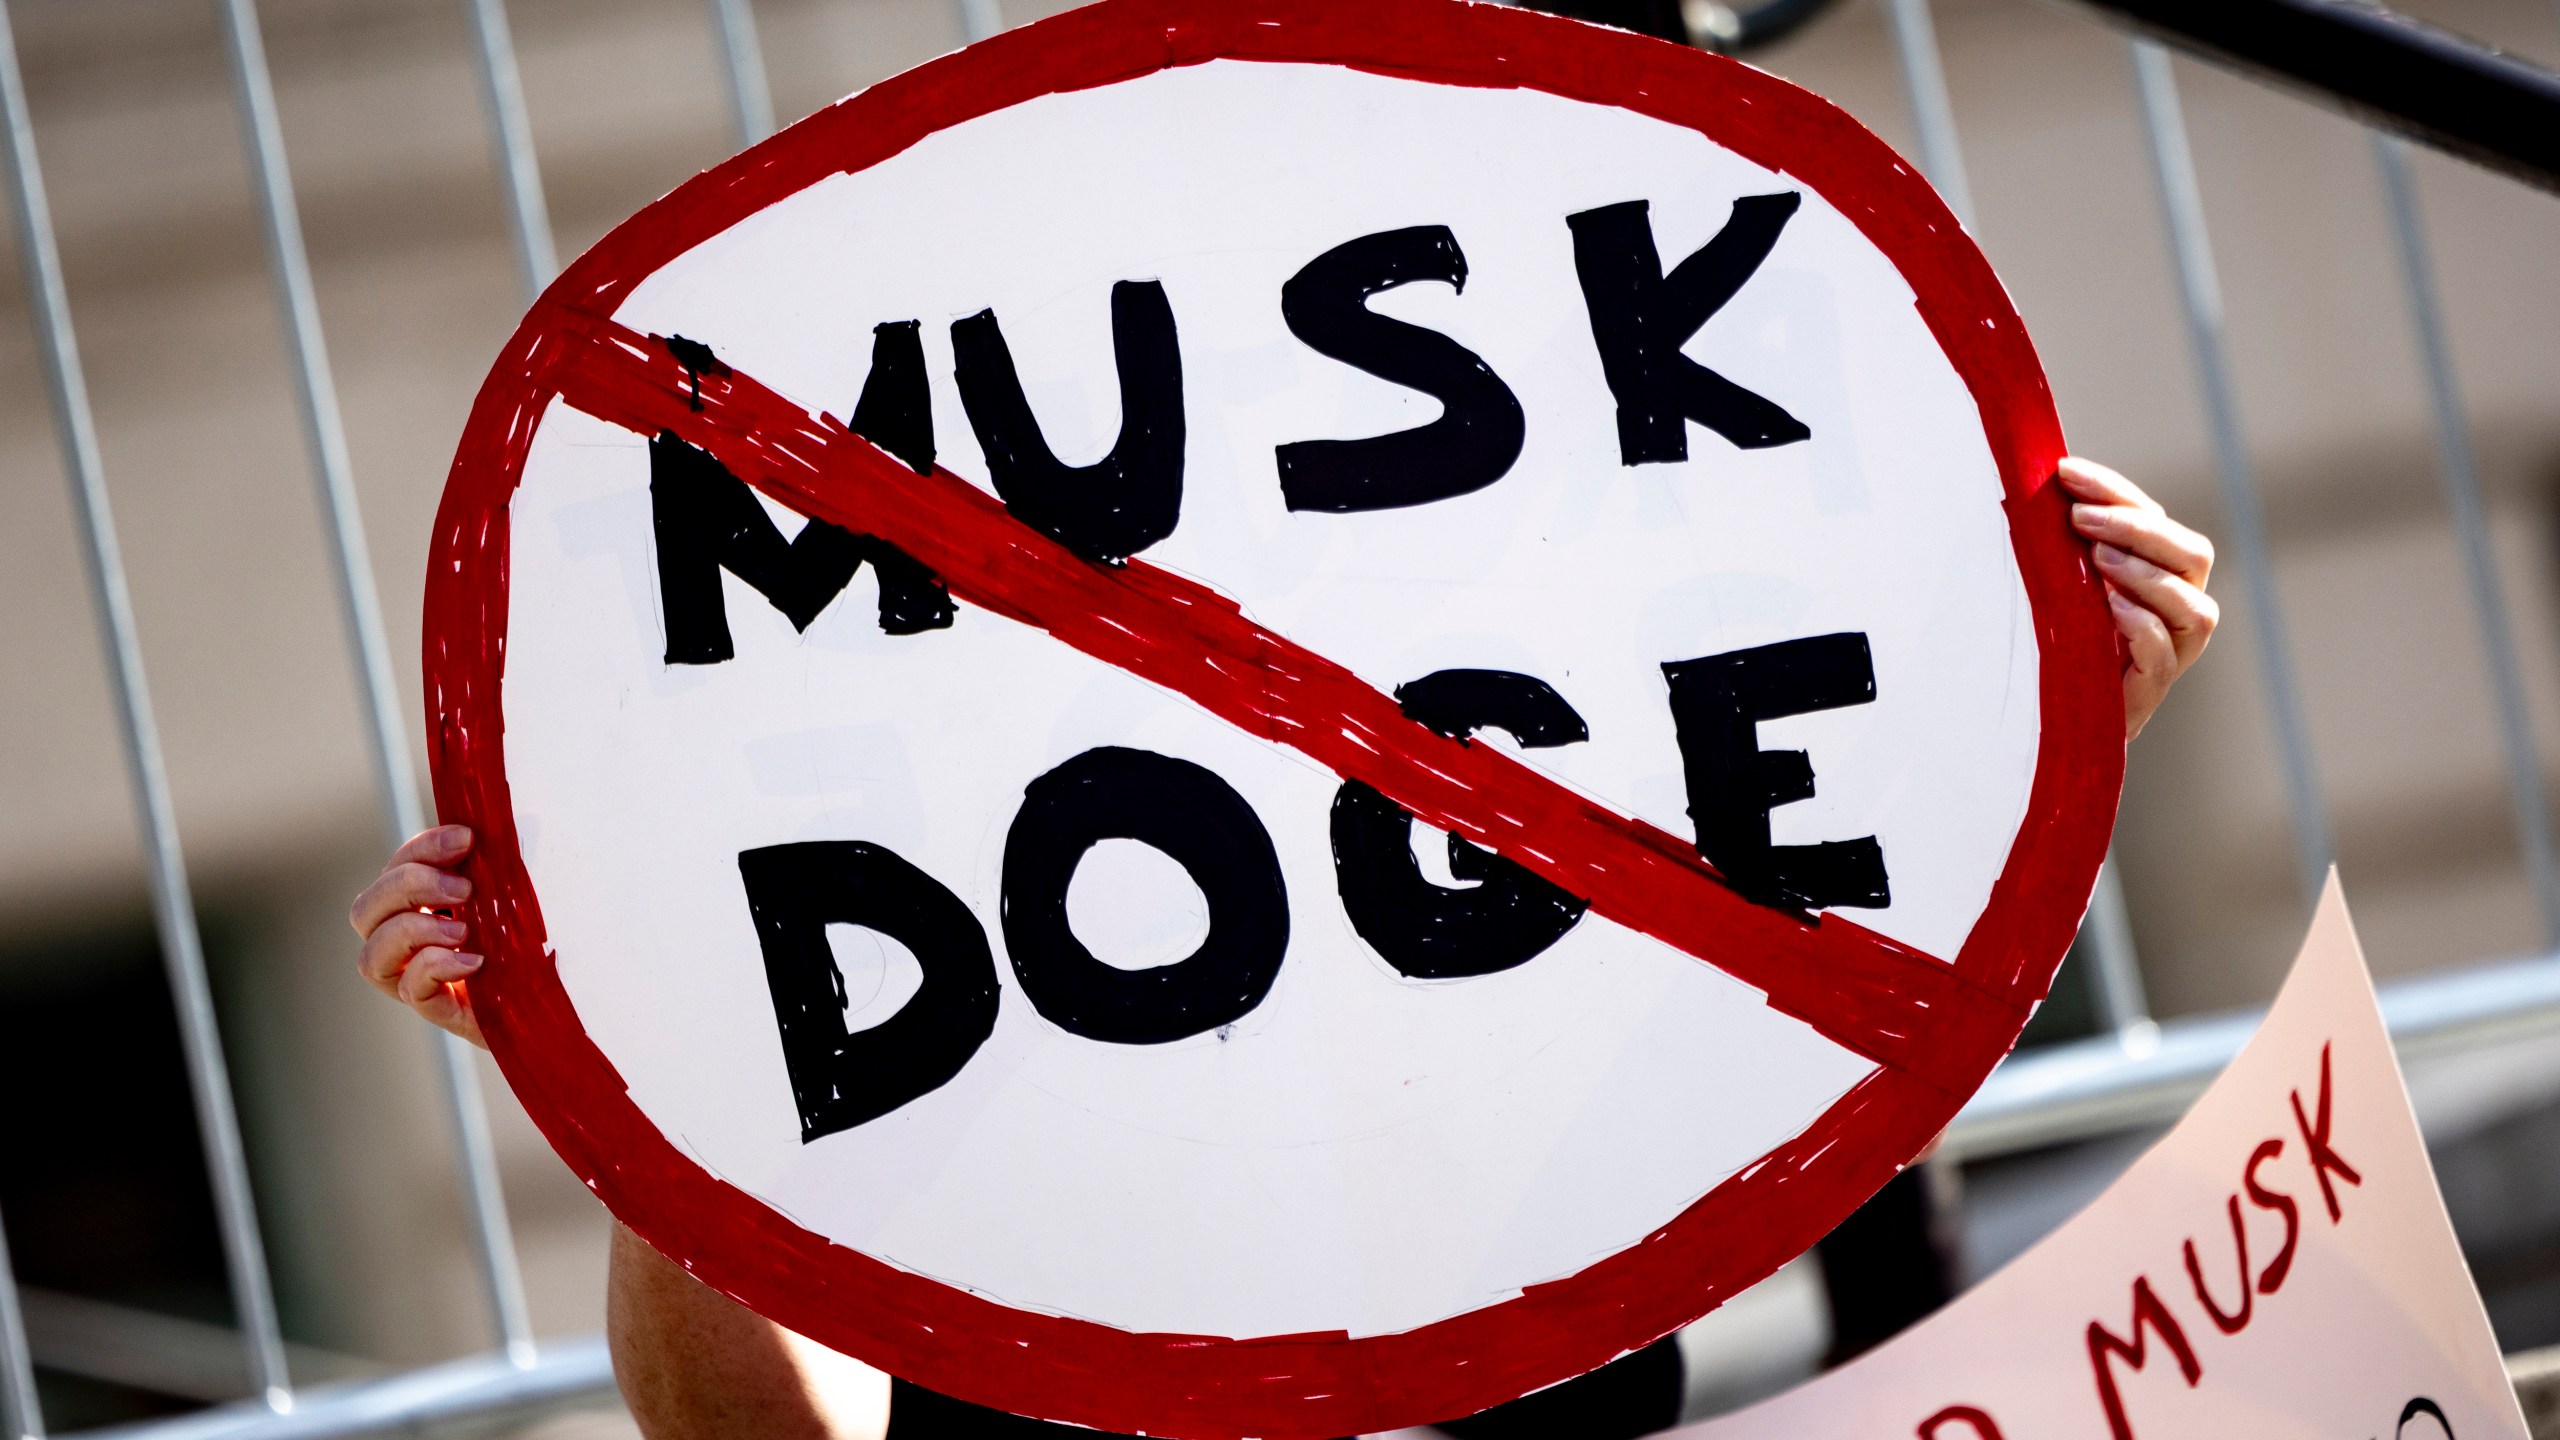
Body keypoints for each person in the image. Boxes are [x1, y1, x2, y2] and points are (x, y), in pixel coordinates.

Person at [350, 458, 2217, 1439]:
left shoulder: (1519, 1209)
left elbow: (1765, 1011)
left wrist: (2026, 747)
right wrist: (639, 1076)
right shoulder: (1029, 1286)